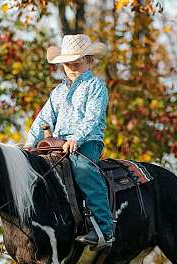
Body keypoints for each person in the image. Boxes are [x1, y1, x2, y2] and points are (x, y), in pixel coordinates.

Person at [26, 34, 114, 249]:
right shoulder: (58, 92)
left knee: (82, 167)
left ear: (89, 62)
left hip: (87, 142)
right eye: (68, 64)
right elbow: (44, 118)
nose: (72, 68)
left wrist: (76, 138)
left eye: (77, 63)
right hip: (57, 143)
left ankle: (104, 228)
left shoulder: (96, 86)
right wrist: (29, 144)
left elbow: (92, 118)